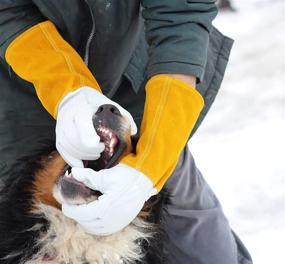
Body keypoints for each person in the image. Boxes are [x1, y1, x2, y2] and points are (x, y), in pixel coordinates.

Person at [0, 1, 252, 263]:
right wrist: (67, 89)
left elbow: (181, 14)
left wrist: (152, 162)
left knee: (210, 250)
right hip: (15, 99)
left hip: (136, 90)